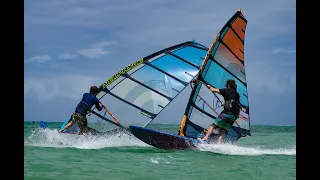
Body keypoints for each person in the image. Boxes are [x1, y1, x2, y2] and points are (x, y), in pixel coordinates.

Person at [194, 79, 241, 144]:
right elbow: (233, 102)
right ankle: (219, 144)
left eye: (226, 85)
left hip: (226, 113)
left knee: (213, 126)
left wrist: (208, 86)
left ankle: (205, 139)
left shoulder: (226, 90)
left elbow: (213, 90)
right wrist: (224, 104)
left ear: (228, 86)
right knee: (222, 129)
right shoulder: (237, 94)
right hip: (233, 116)